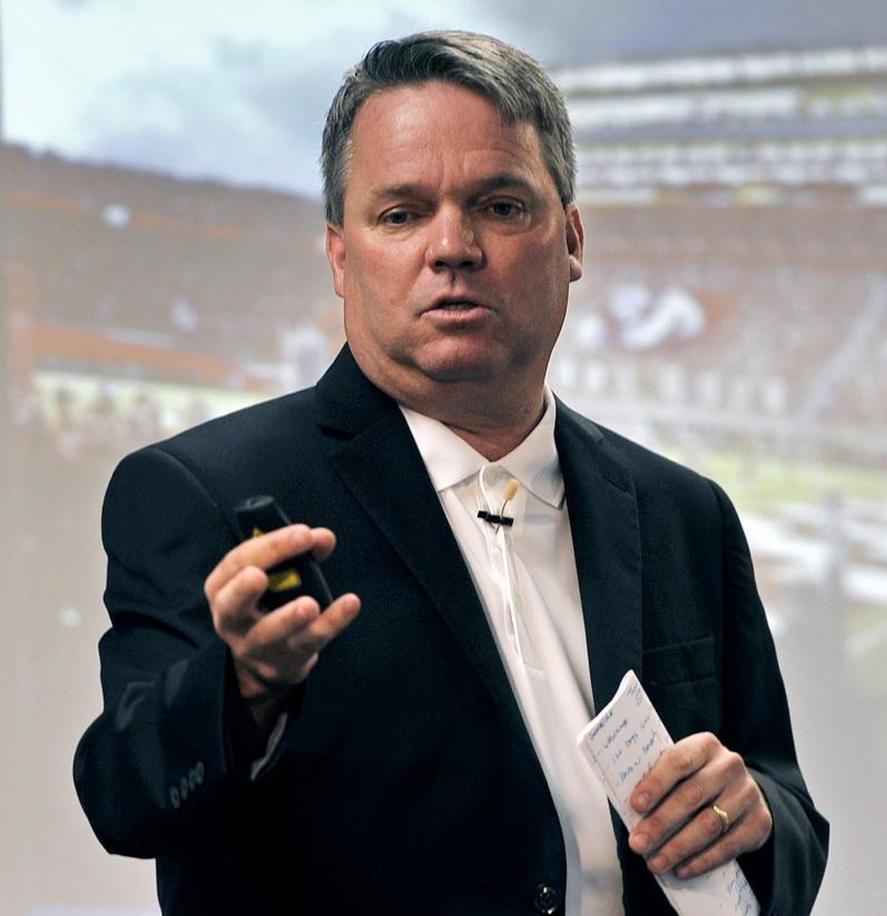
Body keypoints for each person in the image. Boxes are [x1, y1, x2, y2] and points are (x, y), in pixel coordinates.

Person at [74, 31, 828, 915]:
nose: (453, 247)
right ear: (339, 256)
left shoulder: (684, 513)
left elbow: (790, 820)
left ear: (573, 239)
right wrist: (240, 690)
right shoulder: (201, 492)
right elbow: (121, 798)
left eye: (501, 206)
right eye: (400, 214)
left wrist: (759, 820)